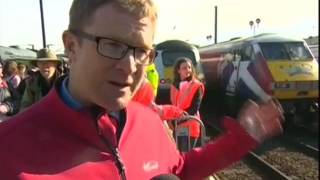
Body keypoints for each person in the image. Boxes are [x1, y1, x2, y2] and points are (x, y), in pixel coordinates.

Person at [0, 0, 284, 179]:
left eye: (142, 51)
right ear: (72, 46)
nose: (130, 65)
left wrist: (239, 140)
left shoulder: (147, 121)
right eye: (112, 45)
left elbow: (179, 169)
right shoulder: (8, 149)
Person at [170, 57, 205, 150]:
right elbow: (173, 106)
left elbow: (194, 109)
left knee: (185, 156)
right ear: (178, 70)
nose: (188, 70)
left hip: (190, 125)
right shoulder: (175, 86)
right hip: (178, 126)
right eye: (184, 68)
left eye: (189, 67)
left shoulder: (197, 85)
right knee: (178, 155)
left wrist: (177, 121)